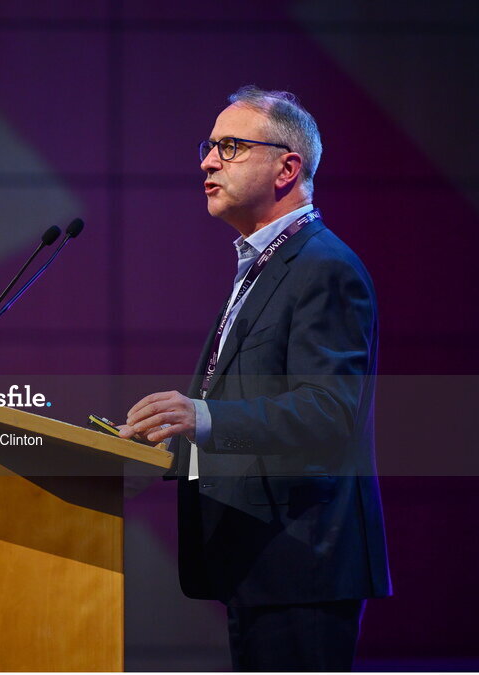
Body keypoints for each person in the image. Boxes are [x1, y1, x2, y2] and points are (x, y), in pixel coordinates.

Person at [118, 86, 391, 671]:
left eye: (230, 147)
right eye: (210, 147)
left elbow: (327, 415)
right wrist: (166, 453)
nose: (207, 162)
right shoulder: (263, 266)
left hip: (304, 566)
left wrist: (202, 416)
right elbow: (248, 410)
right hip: (256, 562)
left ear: (287, 168)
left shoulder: (325, 268)